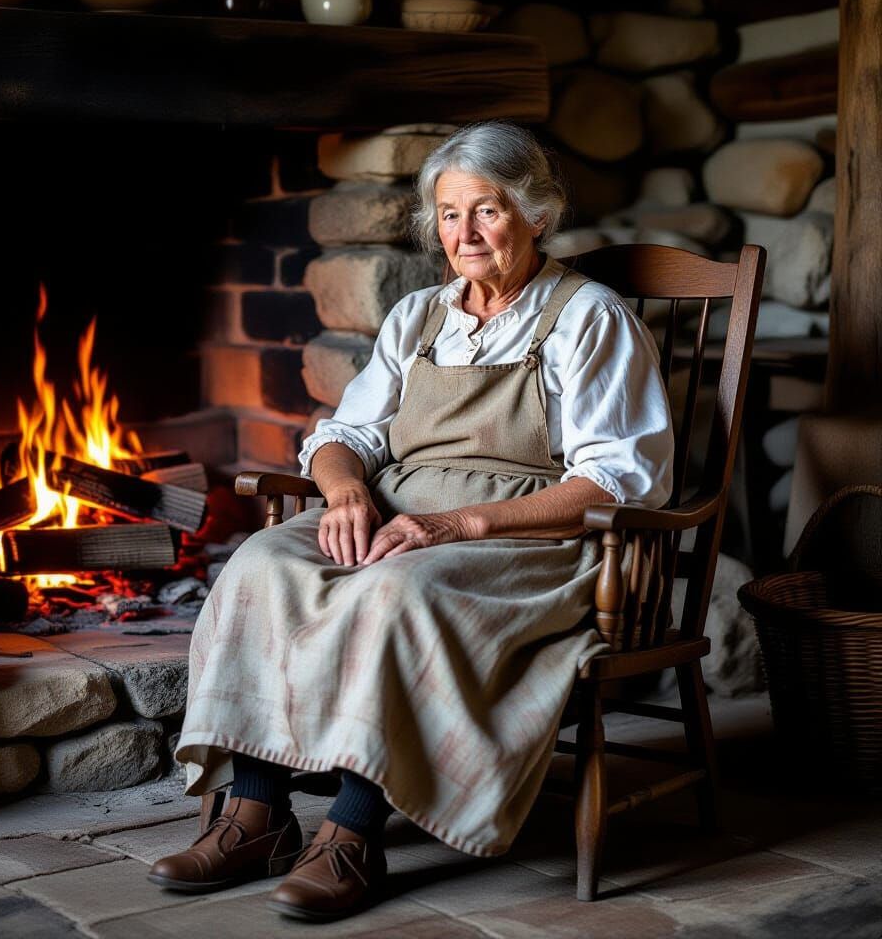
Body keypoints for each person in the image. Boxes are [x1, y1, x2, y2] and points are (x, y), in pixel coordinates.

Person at [148, 121, 674, 922]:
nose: (464, 234)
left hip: (527, 535)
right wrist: (346, 493)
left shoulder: (586, 317)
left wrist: (458, 526)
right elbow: (344, 435)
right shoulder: (420, 316)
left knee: (396, 591)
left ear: (536, 213)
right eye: (450, 213)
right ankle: (256, 815)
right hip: (399, 508)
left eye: (488, 211)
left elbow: (618, 480)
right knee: (257, 564)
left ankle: (353, 832)